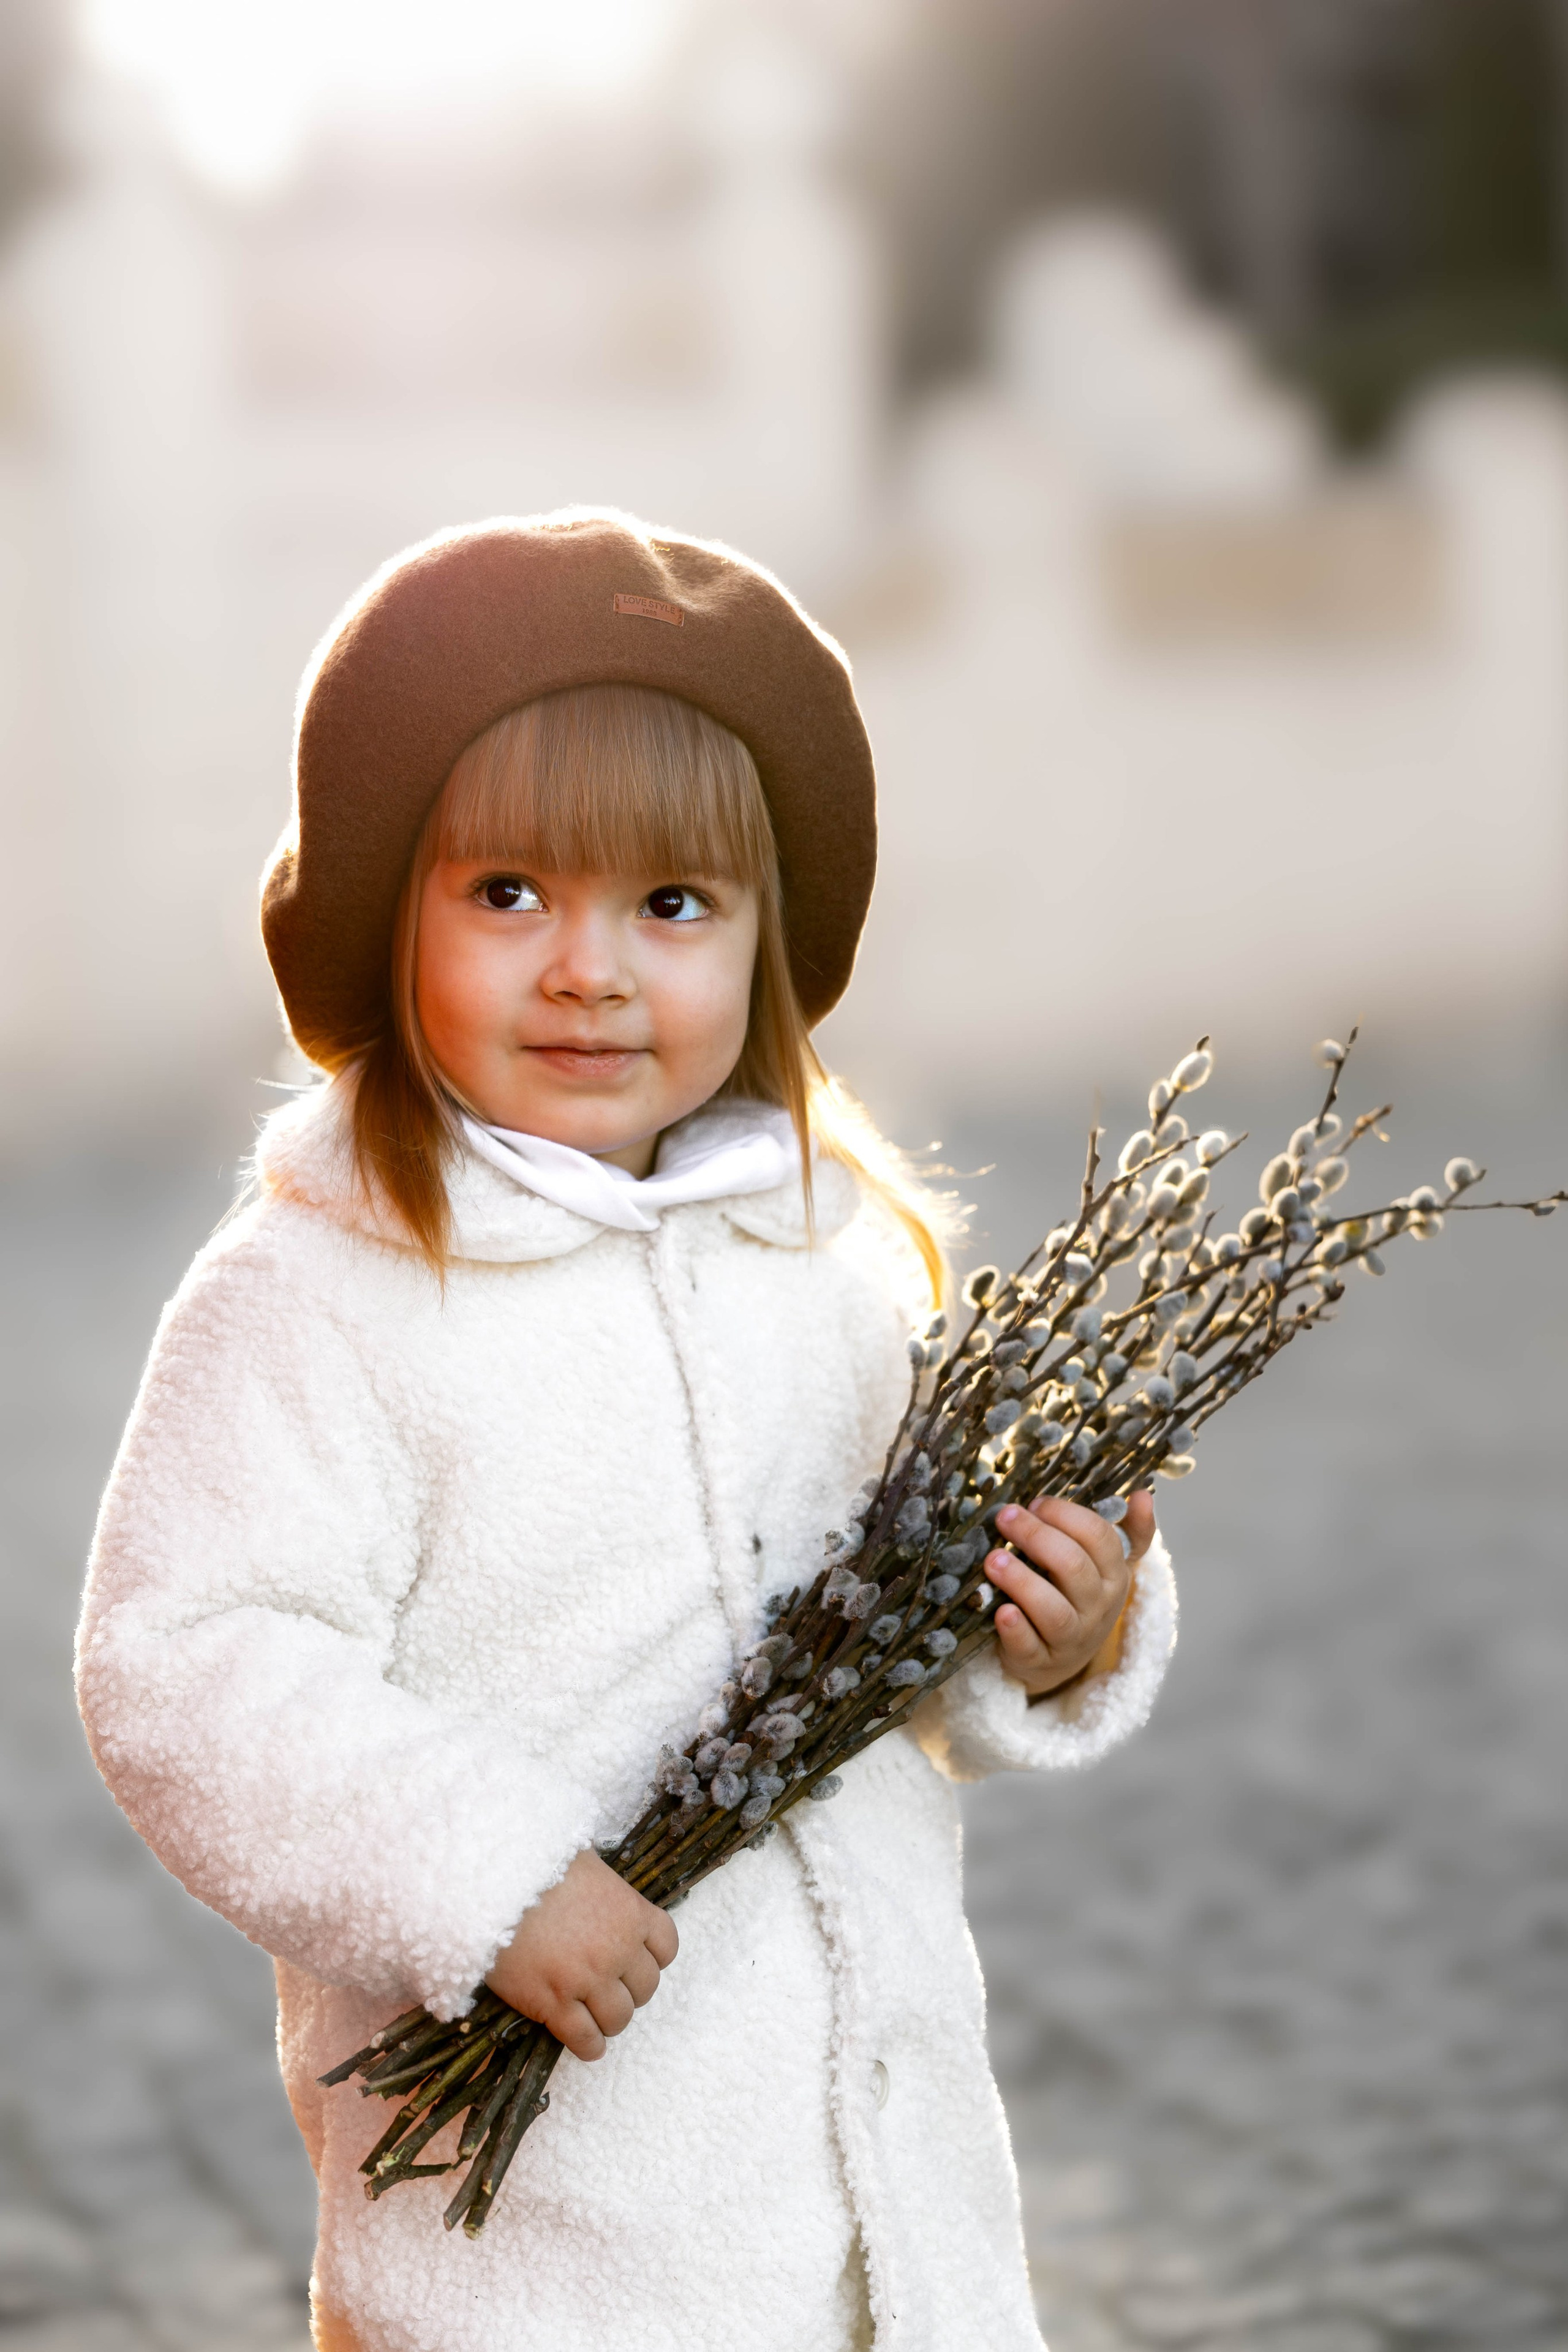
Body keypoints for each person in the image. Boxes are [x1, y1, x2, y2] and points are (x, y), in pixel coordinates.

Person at [76, 511, 1177, 2352]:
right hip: (554, 2258)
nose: (588, 967)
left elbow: (910, 1633)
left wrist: (1060, 1635)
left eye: (671, 907)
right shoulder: (326, 1290)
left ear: (763, 948)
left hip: (880, 2225)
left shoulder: (830, 1259)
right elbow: (185, 1660)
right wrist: (483, 1879)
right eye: (510, 894)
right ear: (387, 913)